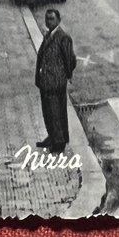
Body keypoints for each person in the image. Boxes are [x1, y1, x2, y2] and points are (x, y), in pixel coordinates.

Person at [35, 8, 77, 151]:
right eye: (47, 19)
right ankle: (52, 136)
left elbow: (70, 59)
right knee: (47, 111)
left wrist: (66, 75)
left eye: (52, 19)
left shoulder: (63, 37)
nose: (49, 22)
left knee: (56, 112)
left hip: (56, 82)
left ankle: (59, 142)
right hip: (46, 81)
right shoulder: (48, 34)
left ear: (58, 20)